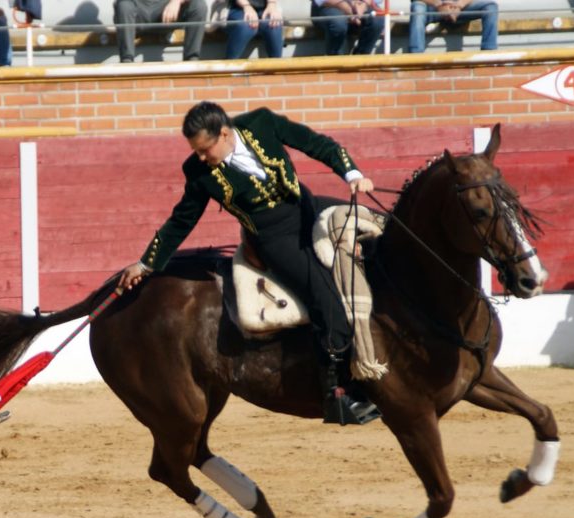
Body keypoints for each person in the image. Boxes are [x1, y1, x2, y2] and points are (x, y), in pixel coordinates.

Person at [117, 101, 381, 425]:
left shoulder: (262, 123)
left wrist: (352, 173)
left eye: (204, 149)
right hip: (273, 238)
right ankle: (337, 394)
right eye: (196, 151)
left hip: (306, 207)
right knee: (325, 298)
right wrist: (146, 264)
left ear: (225, 133)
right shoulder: (199, 172)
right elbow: (181, 221)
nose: (200, 157)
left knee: (377, 229)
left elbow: (314, 143)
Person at [113, 0, 208, 63]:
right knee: (124, 5)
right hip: (137, 13)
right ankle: (127, 61)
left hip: (166, 14)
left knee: (199, 5)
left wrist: (176, 1)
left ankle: (191, 61)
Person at [407, 0, 497, 53]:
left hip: (459, 9)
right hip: (433, 8)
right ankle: (416, 54)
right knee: (417, 7)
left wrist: (460, 5)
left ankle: (488, 52)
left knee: (490, 6)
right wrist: (438, 4)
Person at [310, 0, 384, 56]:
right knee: (338, 23)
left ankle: (361, 58)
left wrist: (364, 3)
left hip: (359, 5)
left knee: (377, 20)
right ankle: (335, 61)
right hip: (328, 6)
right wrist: (346, 8)